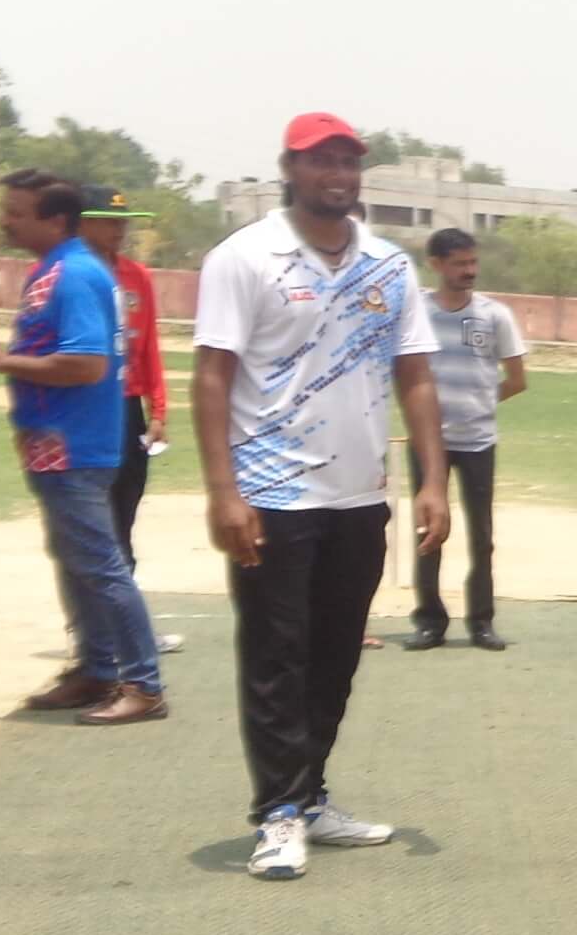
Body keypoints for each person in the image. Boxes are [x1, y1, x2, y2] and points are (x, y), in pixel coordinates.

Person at [191, 112, 447, 879]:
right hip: (271, 494)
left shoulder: (388, 268)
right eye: (322, 161)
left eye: (348, 161)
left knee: (334, 656)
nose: (338, 174)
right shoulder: (245, 258)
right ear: (291, 168)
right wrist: (221, 491)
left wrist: (433, 479)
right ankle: (276, 814)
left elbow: (416, 374)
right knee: (277, 655)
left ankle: (308, 797)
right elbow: (211, 375)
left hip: (358, 495)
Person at [0, 171, 166, 726]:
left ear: (55, 219)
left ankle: (144, 684)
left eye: (16, 212)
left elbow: (87, 364)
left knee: (103, 566)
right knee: (76, 562)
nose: (4, 221)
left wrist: (2, 361)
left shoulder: (75, 274)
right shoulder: (58, 270)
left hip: (75, 447)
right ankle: (97, 669)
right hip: (54, 445)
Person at [404, 229, 526, 650]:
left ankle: (481, 622)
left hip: (478, 441)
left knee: (481, 536)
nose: (469, 271)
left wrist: (480, 403)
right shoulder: (415, 311)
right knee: (428, 532)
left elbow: (517, 379)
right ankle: (429, 621)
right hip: (427, 443)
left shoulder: (495, 315)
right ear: (436, 264)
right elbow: (402, 372)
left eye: (473, 262)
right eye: (459, 264)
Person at [75, 186, 169, 571]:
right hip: (83, 408)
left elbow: (147, 347)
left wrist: (159, 410)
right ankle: (91, 624)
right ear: (83, 225)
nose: (120, 230)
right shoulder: (67, 275)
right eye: (109, 222)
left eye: (123, 222)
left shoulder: (137, 277)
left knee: (125, 511)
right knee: (89, 519)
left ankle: (122, 620)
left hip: (127, 412)